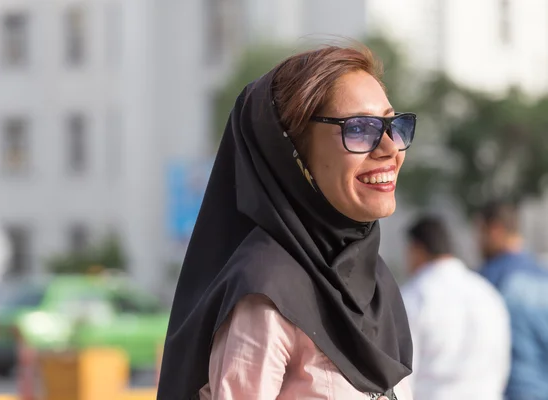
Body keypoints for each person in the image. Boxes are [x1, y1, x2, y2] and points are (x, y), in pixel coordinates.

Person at [157, 43, 416, 400]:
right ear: (292, 153)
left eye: (393, 125)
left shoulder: (372, 281)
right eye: (359, 129)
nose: (389, 148)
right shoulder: (267, 291)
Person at [401, 216, 510, 400]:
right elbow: (502, 364)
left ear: (417, 250)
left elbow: (403, 372)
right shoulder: (487, 293)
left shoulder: (414, 296)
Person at [477, 201, 548, 400]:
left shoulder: (488, 281)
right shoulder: (543, 276)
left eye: (480, 233)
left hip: (511, 391)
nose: (477, 242)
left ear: (495, 230)